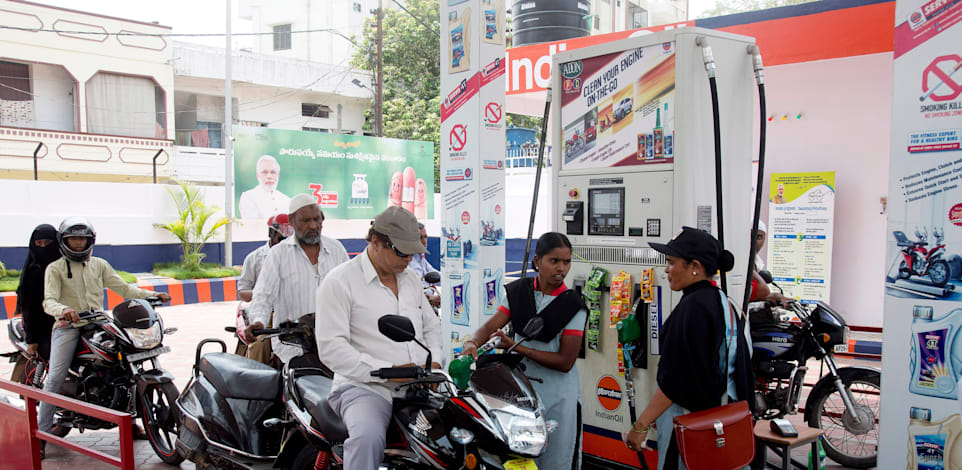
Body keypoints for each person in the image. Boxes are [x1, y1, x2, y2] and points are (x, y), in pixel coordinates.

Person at [315, 206, 441, 470]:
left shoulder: (411, 281)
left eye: (413, 252)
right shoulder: (340, 282)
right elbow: (331, 348)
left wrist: (436, 364)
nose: (409, 259)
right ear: (375, 242)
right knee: (367, 437)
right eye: (402, 251)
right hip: (365, 387)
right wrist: (387, 373)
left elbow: (431, 328)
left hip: (418, 384)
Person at [624, 227, 754, 470]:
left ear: (694, 266)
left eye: (672, 262)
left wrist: (640, 426)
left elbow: (675, 383)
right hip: (721, 425)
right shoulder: (725, 303)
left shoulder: (693, 308)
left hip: (692, 427)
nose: (666, 269)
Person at [40, 217, 171, 450]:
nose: (79, 243)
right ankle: (41, 435)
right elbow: (48, 301)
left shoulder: (99, 264)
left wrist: (151, 295)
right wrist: (64, 310)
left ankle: (129, 420)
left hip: (99, 322)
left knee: (125, 363)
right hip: (68, 326)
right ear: (64, 241)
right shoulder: (55, 268)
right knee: (56, 376)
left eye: (83, 239)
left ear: (90, 241)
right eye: (74, 239)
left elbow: (123, 288)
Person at [461, 232, 587, 469]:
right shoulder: (519, 292)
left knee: (556, 461)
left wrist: (517, 348)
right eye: (554, 261)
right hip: (520, 393)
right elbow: (490, 326)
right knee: (519, 458)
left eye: (566, 262)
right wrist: (472, 343)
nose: (561, 268)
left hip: (559, 397)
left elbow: (565, 361)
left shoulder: (574, 306)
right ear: (537, 261)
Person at [244, 194, 348, 367]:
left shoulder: (336, 249)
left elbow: (350, 290)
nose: (313, 226)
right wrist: (258, 321)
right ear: (292, 221)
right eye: (305, 221)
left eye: (317, 219)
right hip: (293, 347)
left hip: (335, 343)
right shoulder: (278, 255)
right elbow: (263, 295)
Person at [15, 224, 60, 363]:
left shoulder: (65, 266)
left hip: (66, 322)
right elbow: (29, 308)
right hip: (42, 329)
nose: (43, 247)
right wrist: (32, 340)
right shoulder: (34, 271)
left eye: (48, 243)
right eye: (39, 243)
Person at [237, 213, 294, 302]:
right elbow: (242, 293)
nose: (286, 243)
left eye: (290, 239)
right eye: (282, 239)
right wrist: (264, 293)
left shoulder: (299, 257)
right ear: (271, 234)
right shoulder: (254, 259)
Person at [407, 223, 440, 308]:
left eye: (425, 237)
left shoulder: (422, 260)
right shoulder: (405, 262)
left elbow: (438, 276)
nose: (424, 241)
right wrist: (429, 299)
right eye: (420, 238)